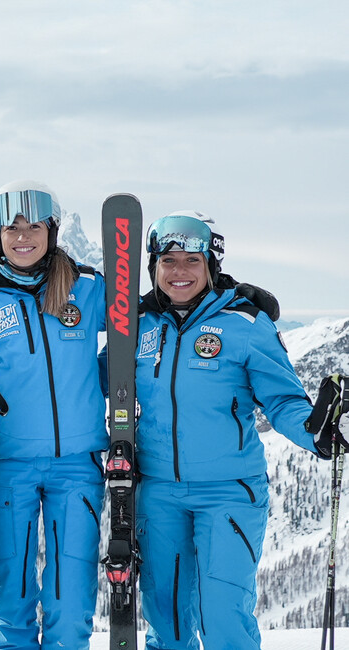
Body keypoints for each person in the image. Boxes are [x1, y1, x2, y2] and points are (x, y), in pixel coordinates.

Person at [133, 210, 339, 649]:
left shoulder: (244, 323)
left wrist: (314, 432)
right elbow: (97, 386)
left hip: (228, 492)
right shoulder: (137, 325)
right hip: (156, 492)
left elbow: (282, 399)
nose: (180, 272)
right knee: (166, 626)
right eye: (168, 261)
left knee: (224, 621)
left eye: (192, 260)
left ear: (211, 264)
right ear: (154, 267)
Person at [0, 180, 107, 649]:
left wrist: (231, 293)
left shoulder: (88, 288)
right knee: (12, 606)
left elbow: (150, 324)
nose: (22, 236)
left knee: (70, 610)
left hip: (79, 466)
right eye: (11, 227)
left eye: (33, 226)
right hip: (7, 467)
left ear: (52, 230)